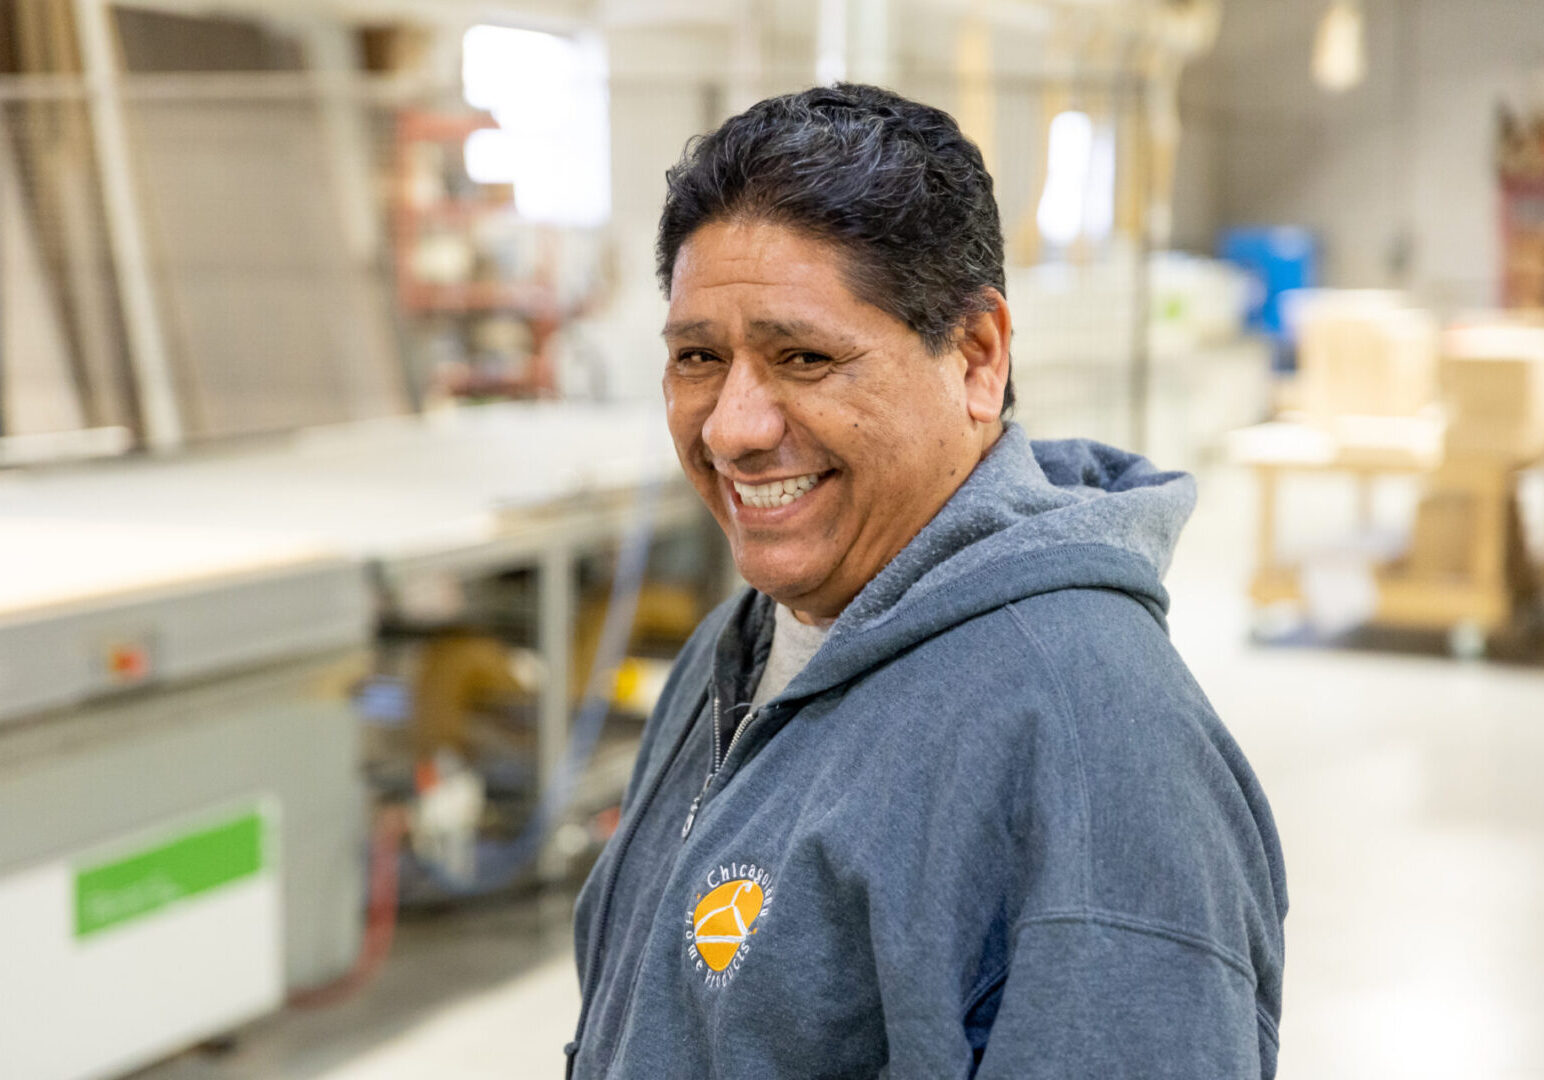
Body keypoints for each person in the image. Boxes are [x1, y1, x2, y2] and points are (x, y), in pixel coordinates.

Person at [567, 83, 1286, 1080]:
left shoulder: (1087, 743)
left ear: (975, 358)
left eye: (804, 357)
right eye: (698, 357)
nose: (731, 427)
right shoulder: (738, 647)